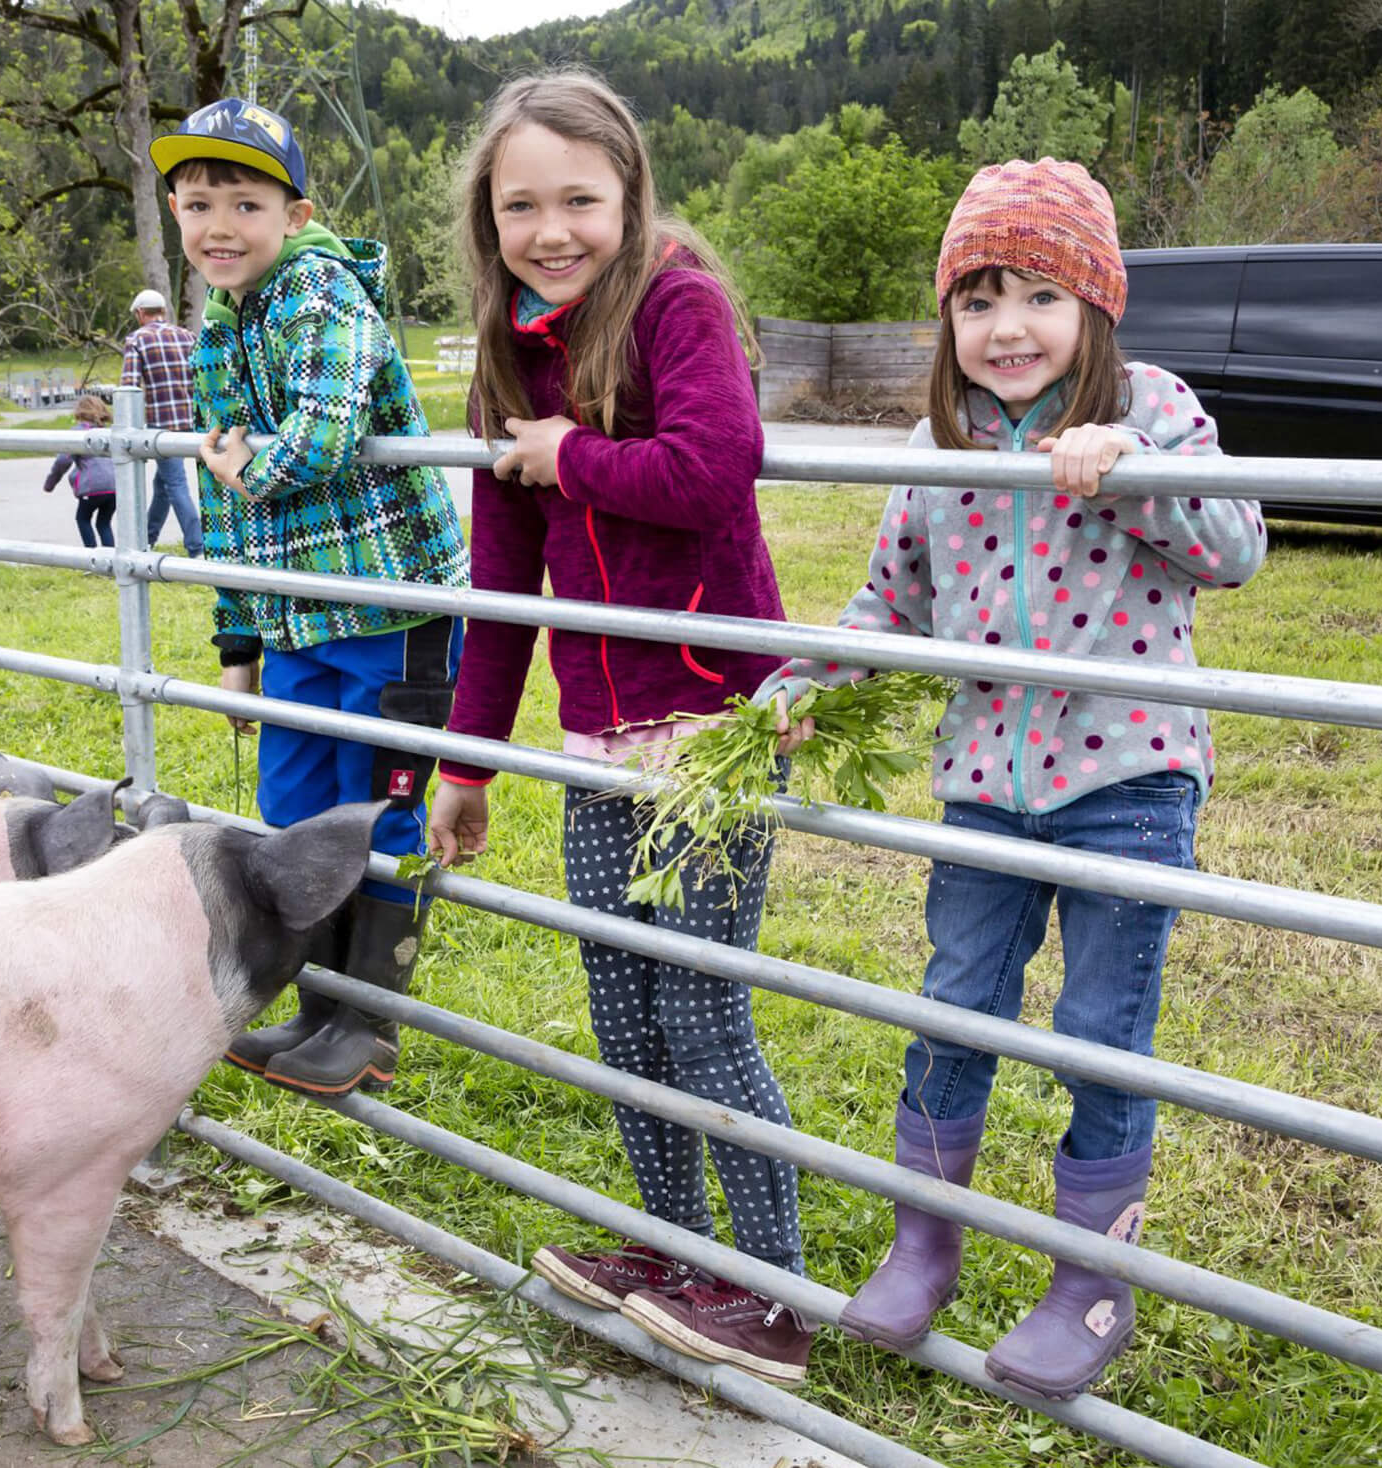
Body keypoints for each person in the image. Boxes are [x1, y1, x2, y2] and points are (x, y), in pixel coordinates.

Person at [769, 157, 1267, 1400]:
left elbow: (1238, 546)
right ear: (946, 317)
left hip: (1128, 784)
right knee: (954, 1007)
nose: (1005, 326)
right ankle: (922, 1241)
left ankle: (1087, 1277)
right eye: (977, 296)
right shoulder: (938, 445)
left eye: (1039, 295)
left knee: (1102, 1033)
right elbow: (890, 601)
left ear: (1095, 307)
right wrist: (805, 682)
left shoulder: (1152, 402)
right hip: (984, 785)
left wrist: (1135, 461)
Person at [424, 71, 815, 1389]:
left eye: (579, 199)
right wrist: (467, 764)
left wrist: (565, 453)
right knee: (623, 1007)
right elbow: (500, 587)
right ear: (488, 215)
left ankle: (771, 1297)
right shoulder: (511, 340)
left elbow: (714, 472)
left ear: (630, 194)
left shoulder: (678, 299)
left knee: (701, 1009)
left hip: (706, 725)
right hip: (595, 739)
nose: (551, 228)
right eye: (520, 203)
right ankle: (670, 1249)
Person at [149, 97, 468, 1097]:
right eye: (197, 203)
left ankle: (367, 1022)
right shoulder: (216, 324)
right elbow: (221, 492)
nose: (218, 226)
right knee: (294, 806)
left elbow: (316, 441)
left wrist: (231, 449)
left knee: (381, 809)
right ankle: (317, 1002)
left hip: (390, 608)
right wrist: (235, 627)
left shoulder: (321, 293)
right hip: (294, 614)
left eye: (245, 202)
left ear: (293, 214)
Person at [119, 286, 204, 555]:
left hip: (161, 425)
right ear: (164, 311)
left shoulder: (136, 340)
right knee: (164, 485)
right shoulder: (187, 336)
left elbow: (129, 386)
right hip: (191, 420)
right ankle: (146, 539)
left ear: (140, 313)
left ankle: (197, 546)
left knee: (176, 484)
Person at [42, 393, 118, 547]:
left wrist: (50, 484)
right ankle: (110, 559)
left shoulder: (77, 433)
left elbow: (63, 461)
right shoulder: (108, 433)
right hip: (114, 488)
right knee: (104, 523)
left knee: (82, 519)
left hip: (92, 488)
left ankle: (91, 556)